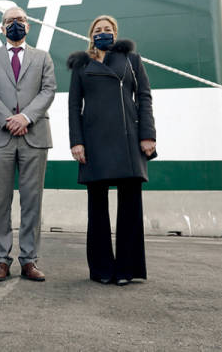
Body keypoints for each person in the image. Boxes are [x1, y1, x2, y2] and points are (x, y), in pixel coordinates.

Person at [66, 15, 156, 286]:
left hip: (128, 139)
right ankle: (102, 268)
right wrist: (76, 141)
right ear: (90, 35)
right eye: (98, 30)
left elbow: (144, 97)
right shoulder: (82, 64)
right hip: (93, 141)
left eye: (108, 29)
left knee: (130, 206)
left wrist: (148, 135)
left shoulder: (131, 60)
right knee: (97, 208)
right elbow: (73, 106)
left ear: (115, 34)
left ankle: (127, 269)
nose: (103, 33)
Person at [0, 6, 56, 282]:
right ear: (2, 28)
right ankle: (1, 259)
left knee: (32, 200)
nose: (15, 24)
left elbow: (49, 90)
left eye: (20, 20)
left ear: (29, 25)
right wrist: (7, 119)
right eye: (10, 21)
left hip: (34, 135)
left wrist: (25, 117)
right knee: (0, 201)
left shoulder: (43, 57)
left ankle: (29, 259)